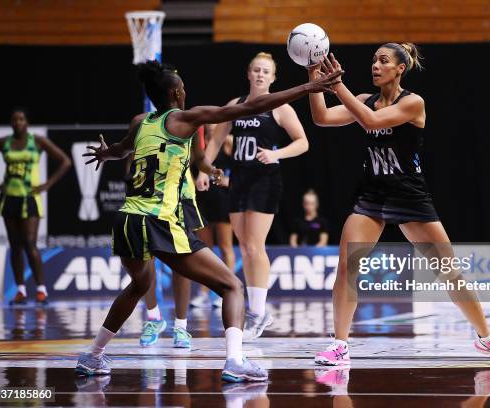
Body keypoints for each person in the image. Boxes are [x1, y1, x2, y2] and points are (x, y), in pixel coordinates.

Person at [75, 60, 341, 381]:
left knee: (139, 285)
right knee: (231, 286)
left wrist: (106, 154)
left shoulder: (140, 121)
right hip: (159, 219)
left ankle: (92, 355)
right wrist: (306, 88)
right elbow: (253, 106)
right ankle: (235, 361)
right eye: (183, 86)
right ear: (176, 93)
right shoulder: (186, 118)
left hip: (128, 218)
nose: (186, 91)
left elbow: (120, 150)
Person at [308, 47, 490, 365]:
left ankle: (487, 338)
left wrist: (337, 85)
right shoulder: (364, 98)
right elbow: (322, 118)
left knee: (449, 272)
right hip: (372, 194)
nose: (375, 65)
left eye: (384, 61)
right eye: (374, 60)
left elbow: (370, 122)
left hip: (409, 195)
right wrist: (314, 77)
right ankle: (340, 344)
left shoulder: (412, 102)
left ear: (401, 68)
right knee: (347, 266)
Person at [197, 52, 311, 340]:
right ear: (249, 74)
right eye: (256, 70)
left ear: (273, 78)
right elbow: (215, 140)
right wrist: (203, 171)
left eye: (266, 72)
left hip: (265, 181)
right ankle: (257, 310)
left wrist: (276, 154)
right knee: (245, 247)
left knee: (256, 246)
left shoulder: (280, 107)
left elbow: (302, 143)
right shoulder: (235, 106)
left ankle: (258, 313)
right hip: (239, 181)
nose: (260, 75)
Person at [0, 108, 71, 305]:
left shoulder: (38, 141)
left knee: (29, 242)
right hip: (9, 197)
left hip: (30, 198)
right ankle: (21, 291)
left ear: (27, 123)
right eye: (14, 119)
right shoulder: (3, 143)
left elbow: (65, 161)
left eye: (21, 119)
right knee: (15, 246)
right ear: (11, 123)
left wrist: (47, 184)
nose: (17, 122)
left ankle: (42, 290)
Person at [135, 127, 207, 349]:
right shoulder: (142, 122)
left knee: (182, 260)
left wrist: (207, 171)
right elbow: (129, 153)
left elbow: (200, 157)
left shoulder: (190, 122)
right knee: (144, 259)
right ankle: (154, 318)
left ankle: (181, 326)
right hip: (146, 194)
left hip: (179, 195)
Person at [193, 124, 235, 309]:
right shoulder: (200, 146)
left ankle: (227, 291)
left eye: (215, 123)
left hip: (224, 202)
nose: (212, 126)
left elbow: (245, 166)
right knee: (205, 251)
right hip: (203, 202)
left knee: (226, 248)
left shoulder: (229, 142)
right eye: (208, 125)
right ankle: (203, 293)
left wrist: (230, 181)